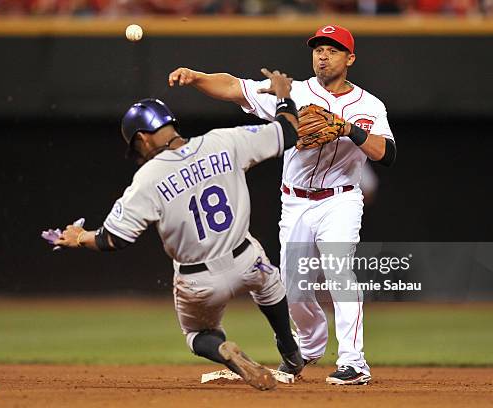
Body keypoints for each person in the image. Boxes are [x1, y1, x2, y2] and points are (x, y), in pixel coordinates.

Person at [47, 69, 306, 391]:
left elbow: (113, 239)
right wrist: (283, 95)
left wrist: (79, 238)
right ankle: (290, 350)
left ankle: (223, 349)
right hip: (245, 259)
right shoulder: (223, 141)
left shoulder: (148, 178)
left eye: (136, 146)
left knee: (198, 335)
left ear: (141, 138)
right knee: (268, 283)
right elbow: (289, 132)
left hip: (198, 281)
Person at [168, 24, 396, 385]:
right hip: (296, 202)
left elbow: (387, 154)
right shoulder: (293, 92)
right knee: (294, 286)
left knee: (340, 272)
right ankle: (308, 348)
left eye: (333, 49)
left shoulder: (369, 105)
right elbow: (232, 86)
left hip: (340, 199)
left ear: (350, 58)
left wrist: (347, 128)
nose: (323, 54)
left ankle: (354, 362)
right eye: (318, 48)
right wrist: (196, 77)